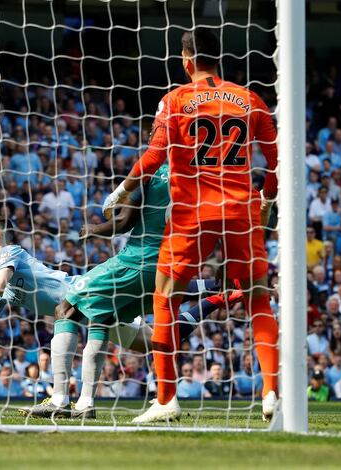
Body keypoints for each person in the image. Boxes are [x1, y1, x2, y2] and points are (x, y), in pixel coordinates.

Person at [104, 28, 280, 423]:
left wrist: (123, 188)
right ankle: (271, 393)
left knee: (165, 299)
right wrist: (266, 198)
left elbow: (153, 157)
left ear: (185, 61)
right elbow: (275, 160)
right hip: (239, 211)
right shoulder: (249, 99)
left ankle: (166, 400)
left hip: (191, 213)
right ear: (218, 60)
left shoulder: (175, 100)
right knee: (258, 299)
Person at [0, 215, 230, 408]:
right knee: (155, 342)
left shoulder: (11, 254)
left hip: (86, 294)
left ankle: (213, 284)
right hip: (85, 312)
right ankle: (215, 298)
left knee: (155, 290)